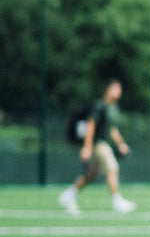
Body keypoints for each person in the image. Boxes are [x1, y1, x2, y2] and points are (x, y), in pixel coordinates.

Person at [58, 79, 136, 215]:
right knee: (112, 168)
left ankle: (69, 195)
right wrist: (87, 147)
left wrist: (121, 144)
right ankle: (116, 201)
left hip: (106, 144)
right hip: (99, 144)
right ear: (108, 89)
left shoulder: (114, 108)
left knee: (91, 175)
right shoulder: (100, 106)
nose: (119, 91)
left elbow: (113, 130)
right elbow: (91, 125)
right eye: (116, 88)